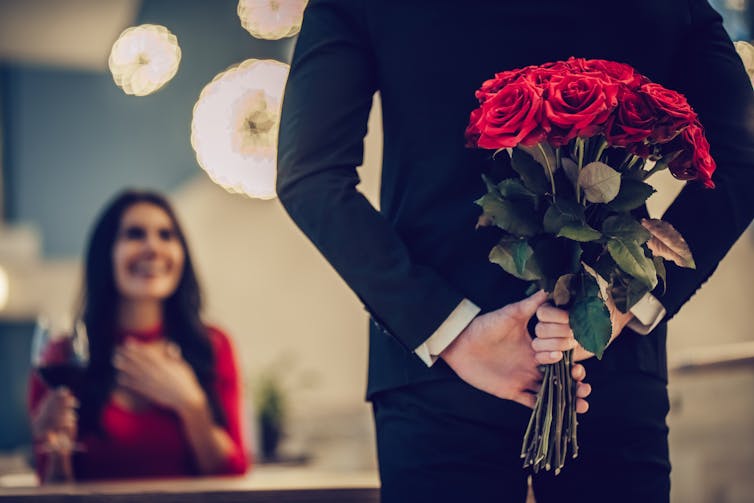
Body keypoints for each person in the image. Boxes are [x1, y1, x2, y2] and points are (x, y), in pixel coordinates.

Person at [276, 1, 754, 502]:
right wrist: (623, 301)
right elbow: (742, 158)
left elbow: (310, 175)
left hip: (439, 370)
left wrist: (447, 328)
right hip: (603, 360)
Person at [28, 189, 249, 482]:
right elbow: (53, 487)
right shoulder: (61, 356)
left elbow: (233, 476)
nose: (153, 248)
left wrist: (191, 404)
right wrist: (56, 450)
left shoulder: (213, 346)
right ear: (105, 254)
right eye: (134, 234)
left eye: (166, 235)